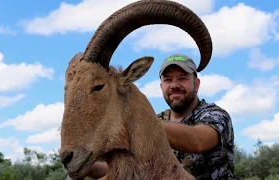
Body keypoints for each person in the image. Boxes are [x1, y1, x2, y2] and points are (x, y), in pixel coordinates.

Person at [72, 54, 235, 180]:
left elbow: (198, 141)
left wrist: (138, 119)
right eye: (168, 80)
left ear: (196, 84)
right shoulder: (158, 119)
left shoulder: (215, 115)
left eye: (183, 78)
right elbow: (135, 169)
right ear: (161, 86)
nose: (174, 85)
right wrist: (91, 168)